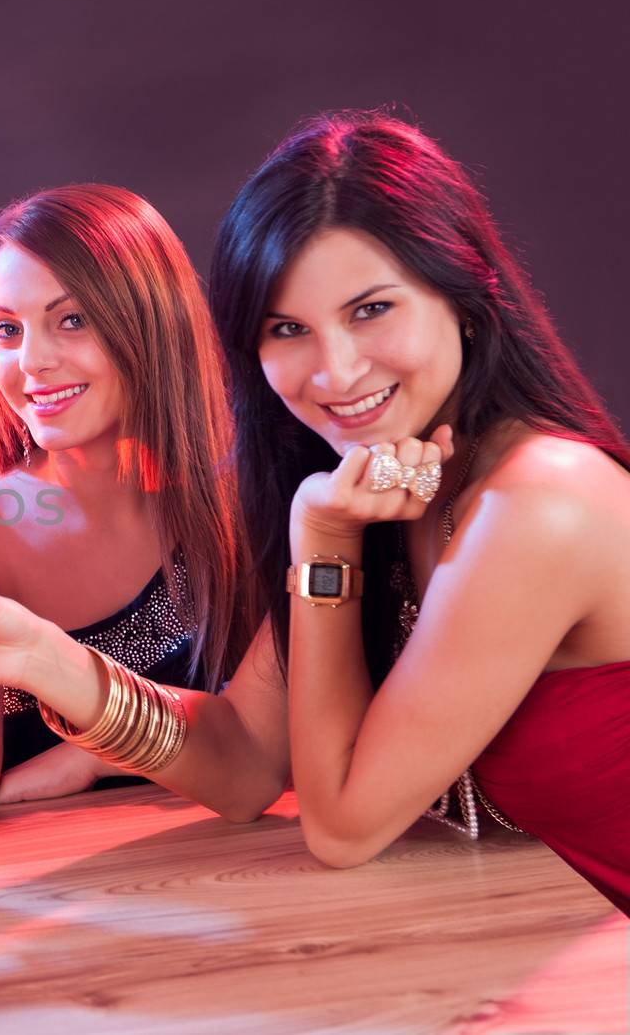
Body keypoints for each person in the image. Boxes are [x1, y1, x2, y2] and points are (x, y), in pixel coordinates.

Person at [208, 110, 630, 911]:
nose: (333, 371)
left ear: (465, 298)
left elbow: (341, 827)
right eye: (288, 329)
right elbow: (246, 758)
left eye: (371, 310)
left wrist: (323, 538)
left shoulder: (538, 504)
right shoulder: (407, 486)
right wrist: (47, 667)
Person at [0, 185, 287, 821]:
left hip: (260, 872)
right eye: (6, 329)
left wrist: (99, 753)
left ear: (152, 321)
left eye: (72, 320)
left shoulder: (250, 494)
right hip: (58, 890)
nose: (31, 362)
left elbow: (287, 739)